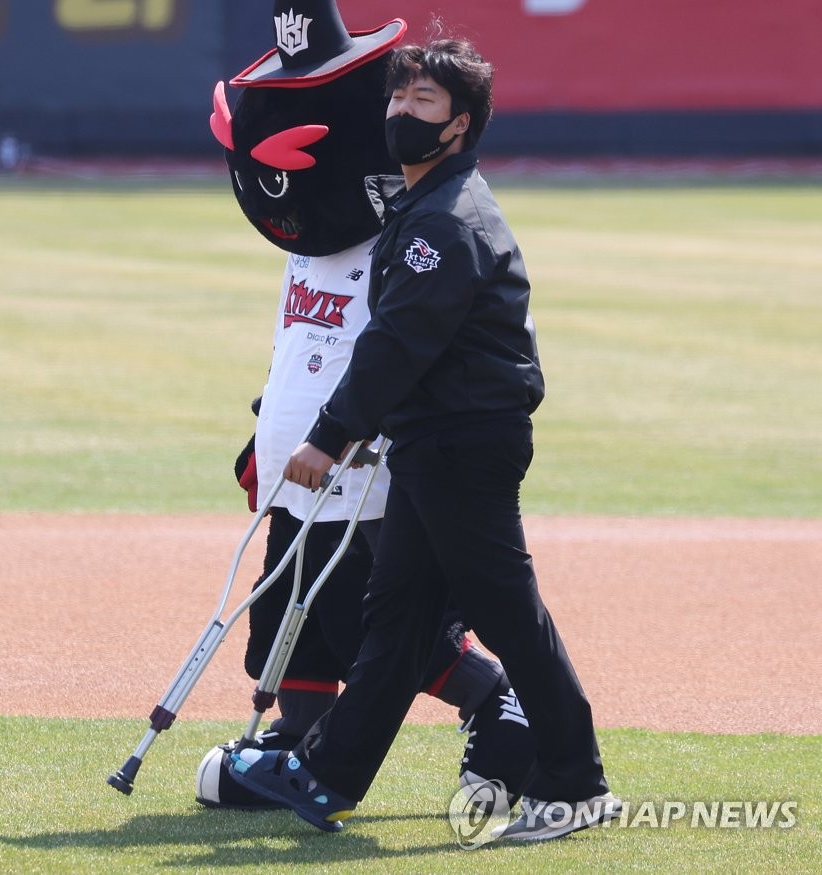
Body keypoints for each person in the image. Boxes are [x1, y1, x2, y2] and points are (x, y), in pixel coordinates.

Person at [229, 36, 623, 843]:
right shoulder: (425, 206)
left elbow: (397, 344)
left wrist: (329, 436)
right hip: (432, 443)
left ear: (460, 125)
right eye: (397, 100)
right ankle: (331, 775)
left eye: (423, 105)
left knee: (508, 612)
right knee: (398, 613)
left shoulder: (443, 222)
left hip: (462, 445)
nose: (400, 114)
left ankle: (576, 782)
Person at [196, 0, 536, 809]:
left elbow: (392, 356)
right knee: (287, 616)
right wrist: (268, 432)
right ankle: (297, 741)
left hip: (363, 466)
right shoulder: (309, 244)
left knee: (384, 624)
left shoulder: (404, 232)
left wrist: (339, 433)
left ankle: (498, 702)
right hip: (299, 465)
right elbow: (297, 351)